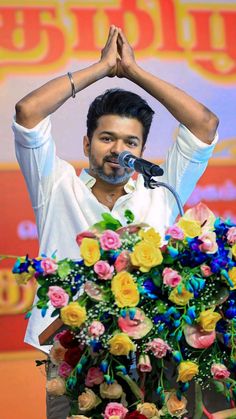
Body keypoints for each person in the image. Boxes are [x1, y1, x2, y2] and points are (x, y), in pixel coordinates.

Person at [13, 26, 220, 419]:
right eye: (107, 138)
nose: (119, 150)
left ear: (142, 149)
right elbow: (27, 113)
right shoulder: (56, 187)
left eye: (131, 142)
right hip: (72, 358)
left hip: (154, 358)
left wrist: (134, 72)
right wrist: (102, 68)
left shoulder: (161, 189)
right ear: (87, 144)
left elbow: (205, 123)